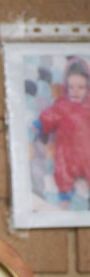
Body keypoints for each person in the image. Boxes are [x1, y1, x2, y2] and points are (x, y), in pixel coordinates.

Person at [33, 57, 90, 209]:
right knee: (62, 171)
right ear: (65, 87)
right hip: (67, 152)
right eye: (71, 87)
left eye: (81, 87)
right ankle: (65, 197)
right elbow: (50, 115)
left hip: (87, 152)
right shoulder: (61, 105)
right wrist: (39, 125)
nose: (75, 91)